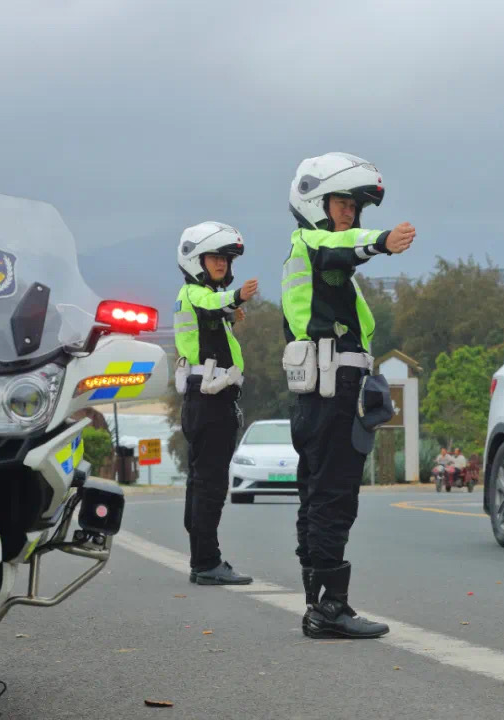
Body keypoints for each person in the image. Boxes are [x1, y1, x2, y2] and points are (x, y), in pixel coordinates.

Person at [281, 152, 415, 638]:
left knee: (317, 498)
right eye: (341, 202)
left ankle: (319, 601)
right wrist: (380, 240)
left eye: (356, 206)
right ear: (315, 202)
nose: (349, 213)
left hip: (322, 391)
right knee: (333, 499)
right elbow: (342, 247)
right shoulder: (314, 244)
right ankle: (328, 608)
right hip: (331, 389)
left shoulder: (315, 261)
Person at [174, 221, 259, 585]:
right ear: (196, 259)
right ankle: (207, 562)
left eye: (226, 257)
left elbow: (212, 313)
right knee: (210, 482)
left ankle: (201, 556)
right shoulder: (195, 292)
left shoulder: (202, 299)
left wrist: (230, 313)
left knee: (200, 480)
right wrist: (237, 297)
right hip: (210, 398)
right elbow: (211, 302)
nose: (222, 263)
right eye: (214, 257)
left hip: (205, 395)